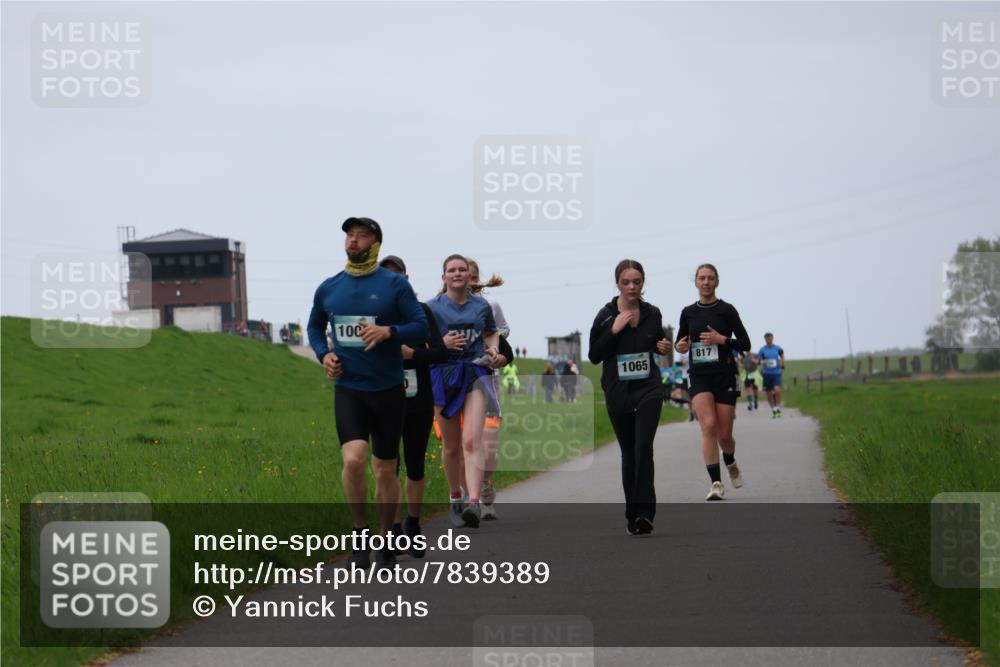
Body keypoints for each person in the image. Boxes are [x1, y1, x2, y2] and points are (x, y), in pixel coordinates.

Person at [307, 218, 429, 568]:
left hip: (389, 389)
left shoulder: (394, 285)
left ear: (375, 243)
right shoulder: (329, 287)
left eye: (361, 235)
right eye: (349, 235)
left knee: (384, 470)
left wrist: (389, 332)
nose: (353, 241)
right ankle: (360, 534)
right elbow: (315, 326)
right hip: (350, 389)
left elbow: (419, 325)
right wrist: (324, 354)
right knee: (354, 459)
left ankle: (388, 534)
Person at [378, 255, 459, 558]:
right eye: (386, 276)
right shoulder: (371, 315)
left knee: (414, 465)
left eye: (398, 276)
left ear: (406, 279)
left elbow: (441, 353)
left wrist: (414, 354)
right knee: (389, 466)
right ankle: (394, 530)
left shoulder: (421, 313)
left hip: (419, 399)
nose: (392, 282)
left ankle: (412, 523)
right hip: (383, 398)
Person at [588, 259, 671, 535]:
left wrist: (662, 347)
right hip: (618, 391)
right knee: (629, 453)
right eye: (626, 282)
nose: (632, 287)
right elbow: (594, 355)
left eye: (637, 282)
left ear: (643, 282)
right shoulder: (604, 315)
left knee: (643, 448)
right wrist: (613, 330)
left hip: (649, 388)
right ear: (618, 284)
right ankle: (632, 513)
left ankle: (646, 514)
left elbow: (657, 343)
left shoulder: (653, 313)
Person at [427, 255, 501, 528]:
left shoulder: (482, 307)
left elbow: (492, 333)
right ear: (444, 276)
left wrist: (492, 349)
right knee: (451, 446)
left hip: (474, 373)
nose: (457, 273)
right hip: (443, 375)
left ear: (468, 275)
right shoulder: (432, 308)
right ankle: (455, 495)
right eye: (451, 270)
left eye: (461, 269)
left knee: (472, 440)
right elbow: (422, 342)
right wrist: (441, 342)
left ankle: (473, 502)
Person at [675, 263, 750, 501]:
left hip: (725, 375)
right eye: (701, 278)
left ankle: (730, 460)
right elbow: (680, 341)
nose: (706, 282)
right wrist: (681, 346)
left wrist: (721, 339)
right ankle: (716, 483)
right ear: (695, 282)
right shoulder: (688, 312)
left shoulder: (727, 310)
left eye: (710, 278)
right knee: (708, 426)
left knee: (724, 434)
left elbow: (745, 344)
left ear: (717, 282)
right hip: (699, 376)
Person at [466, 258, 511, 521]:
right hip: (459, 382)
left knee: (490, 446)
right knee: (467, 442)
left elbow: (503, 334)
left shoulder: (490, 304)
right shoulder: (444, 305)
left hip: (487, 380)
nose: (467, 278)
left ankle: (486, 484)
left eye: (472, 274)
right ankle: (468, 498)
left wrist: (496, 350)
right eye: (461, 273)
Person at [758, 332, 785, 418]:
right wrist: (763, 361)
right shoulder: (762, 350)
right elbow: (759, 361)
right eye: (767, 338)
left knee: (777, 390)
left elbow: (782, 355)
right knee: (769, 393)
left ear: (772, 338)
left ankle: (778, 407)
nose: (769, 339)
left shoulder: (777, 348)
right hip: (766, 373)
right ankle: (773, 409)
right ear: (765, 339)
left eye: (770, 338)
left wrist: (782, 364)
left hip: (776, 372)